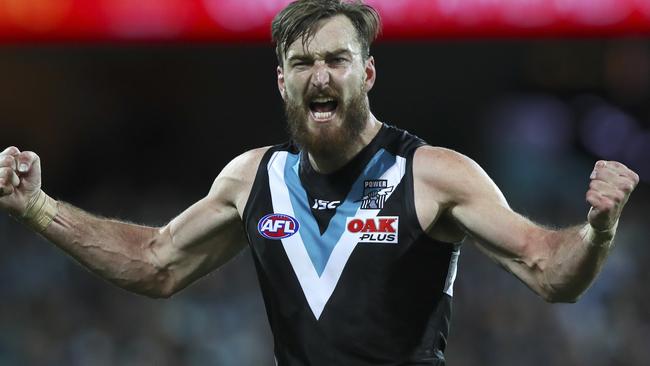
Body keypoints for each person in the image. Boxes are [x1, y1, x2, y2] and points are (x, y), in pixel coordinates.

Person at [0, 0, 640, 365]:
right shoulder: (255, 177)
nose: (320, 76)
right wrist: (37, 209)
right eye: (302, 63)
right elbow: (155, 263)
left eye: (337, 59)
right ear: (283, 81)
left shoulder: (431, 174)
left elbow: (551, 273)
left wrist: (597, 229)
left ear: (368, 74)